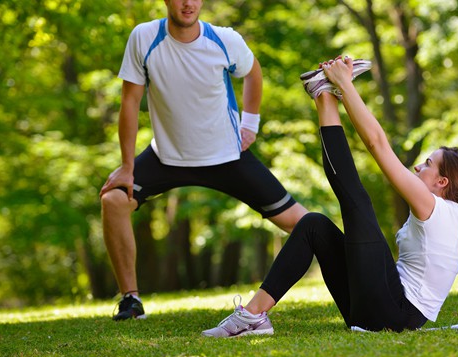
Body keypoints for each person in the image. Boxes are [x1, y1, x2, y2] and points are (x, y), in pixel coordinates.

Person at [202, 56, 458, 337]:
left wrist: (346, 85)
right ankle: (323, 94)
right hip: (378, 309)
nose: (418, 167)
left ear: (442, 182)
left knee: (357, 201)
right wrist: (334, 89)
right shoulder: (445, 213)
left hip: (395, 315)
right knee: (314, 226)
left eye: (428, 165)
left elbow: (378, 144)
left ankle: (331, 88)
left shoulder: (438, 209)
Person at [100, 0, 308, 321]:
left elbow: (253, 72)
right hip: (166, 157)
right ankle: (130, 300)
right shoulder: (144, 38)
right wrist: (127, 167)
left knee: (302, 223)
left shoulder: (225, 40)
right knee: (114, 201)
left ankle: (357, 276)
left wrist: (249, 124)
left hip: (226, 156)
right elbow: (129, 102)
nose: (188, 3)